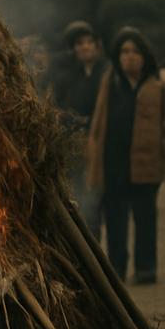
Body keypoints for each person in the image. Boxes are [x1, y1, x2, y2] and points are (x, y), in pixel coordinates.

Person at [84, 27, 165, 284]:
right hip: (113, 163)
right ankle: (117, 269)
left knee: (146, 219)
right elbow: (99, 123)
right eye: (124, 51)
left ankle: (146, 268)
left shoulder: (158, 86)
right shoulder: (109, 82)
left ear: (145, 56)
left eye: (135, 51)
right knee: (115, 222)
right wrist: (94, 155)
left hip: (146, 164)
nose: (129, 57)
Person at [51, 21, 109, 235]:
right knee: (84, 207)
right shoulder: (67, 79)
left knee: (101, 206)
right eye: (79, 43)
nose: (84, 47)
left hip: (104, 150)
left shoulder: (108, 75)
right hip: (75, 152)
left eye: (88, 42)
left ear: (98, 45)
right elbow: (60, 111)